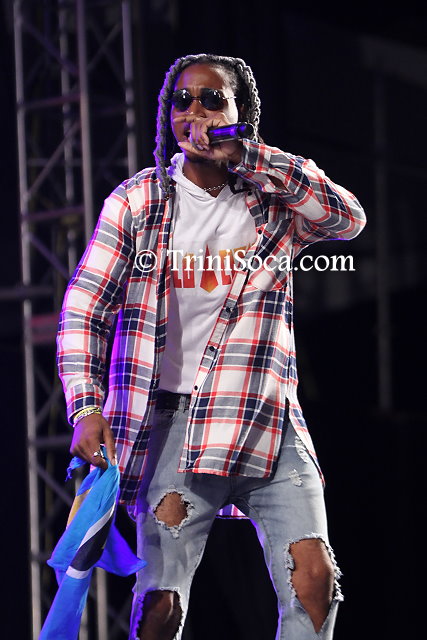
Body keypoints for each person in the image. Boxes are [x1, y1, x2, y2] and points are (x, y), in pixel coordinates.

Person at [57, 53, 366, 640]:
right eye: (183, 100)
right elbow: (84, 307)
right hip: (171, 424)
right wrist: (86, 406)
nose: (194, 112)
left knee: (315, 578)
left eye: (212, 100)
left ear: (239, 112)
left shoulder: (272, 199)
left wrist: (248, 155)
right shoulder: (138, 202)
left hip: (266, 419)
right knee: (160, 608)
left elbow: (347, 219)